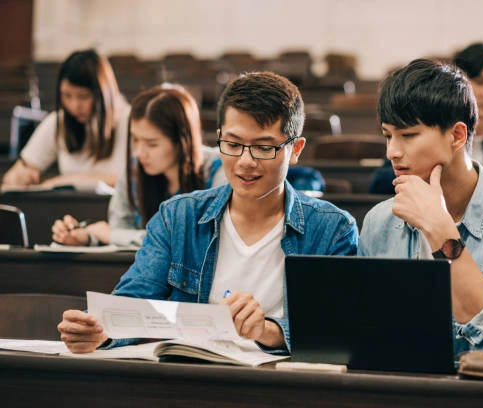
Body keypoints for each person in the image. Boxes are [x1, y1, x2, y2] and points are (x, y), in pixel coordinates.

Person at [57, 71, 359, 353]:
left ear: (295, 150)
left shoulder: (332, 230)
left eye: (264, 148)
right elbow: (134, 299)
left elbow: (336, 328)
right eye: (233, 143)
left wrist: (266, 330)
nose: (245, 161)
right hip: (190, 378)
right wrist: (98, 329)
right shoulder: (178, 217)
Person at [358, 59, 483, 356]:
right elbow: (365, 333)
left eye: (409, 135)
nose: (393, 152)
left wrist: (441, 232)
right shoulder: (380, 220)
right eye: (388, 135)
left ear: (457, 135)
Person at [50, 84, 227, 247]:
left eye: (152, 144)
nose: (140, 152)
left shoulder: (219, 169)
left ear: (182, 142)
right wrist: (87, 237)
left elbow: (194, 244)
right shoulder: (134, 170)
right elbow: (118, 234)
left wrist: (111, 235)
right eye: (135, 140)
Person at [368, 43, 483, 194]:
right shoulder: (425, 120)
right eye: (480, 81)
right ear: (459, 83)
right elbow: (380, 182)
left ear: (459, 135)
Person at [2, 49, 130, 189]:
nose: (74, 106)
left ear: (103, 95)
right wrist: (16, 178)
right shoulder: (58, 122)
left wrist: (64, 181)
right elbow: (17, 172)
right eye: (67, 95)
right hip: (69, 209)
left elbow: (129, 179)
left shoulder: (128, 121)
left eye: (83, 96)